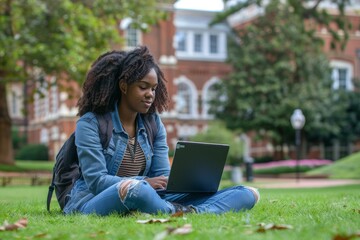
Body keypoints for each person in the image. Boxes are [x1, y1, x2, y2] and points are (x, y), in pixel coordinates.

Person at [63, 46, 260, 216]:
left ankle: (189, 212)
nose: (150, 94)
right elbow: (97, 181)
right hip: (94, 199)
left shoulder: (153, 123)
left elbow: (162, 175)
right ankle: (175, 210)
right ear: (124, 86)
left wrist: (181, 183)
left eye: (154, 88)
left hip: (153, 196)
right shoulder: (90, 123)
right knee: (136, 190)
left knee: (248, 193)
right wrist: (146, 181)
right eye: (143, 87)